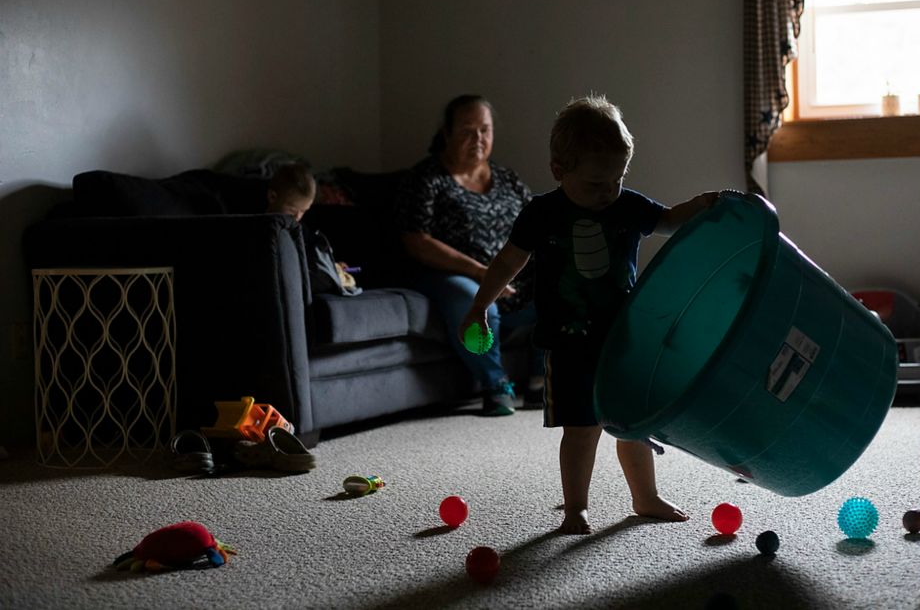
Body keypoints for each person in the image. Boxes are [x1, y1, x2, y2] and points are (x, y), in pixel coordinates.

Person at [460, 95, 719, 534]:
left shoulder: (627, 204)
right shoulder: (543, 213)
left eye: (617, 180)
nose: (607, 193)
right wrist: (479, 305)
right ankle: (575, 506)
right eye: (596, 184)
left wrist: (708, 203)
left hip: (623, 339)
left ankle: (645, 497)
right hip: (568, 343)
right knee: (581, 430)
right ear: (560, 171)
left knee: (632, 425)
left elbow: (671, 219)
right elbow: (507, 262)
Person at [395, 95, 544, 416]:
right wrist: (480, 272)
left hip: (514, 279)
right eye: (467, 130)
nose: (478, 139)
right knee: (475, 298)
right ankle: (495, 384)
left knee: (563, 287)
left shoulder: (507, 179)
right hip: (457, 277)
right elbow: (416, 240)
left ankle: (540, 382)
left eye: (485, 130)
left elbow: (538, 227)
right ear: (446, 133)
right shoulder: (426, 179)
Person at [267, 163, 360, 296]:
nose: (297, 217)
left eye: (304, 211)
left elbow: (313, 257)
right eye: (292, 210)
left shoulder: (300, 229)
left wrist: (333, 266)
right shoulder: (261, 228)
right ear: (272, 197)